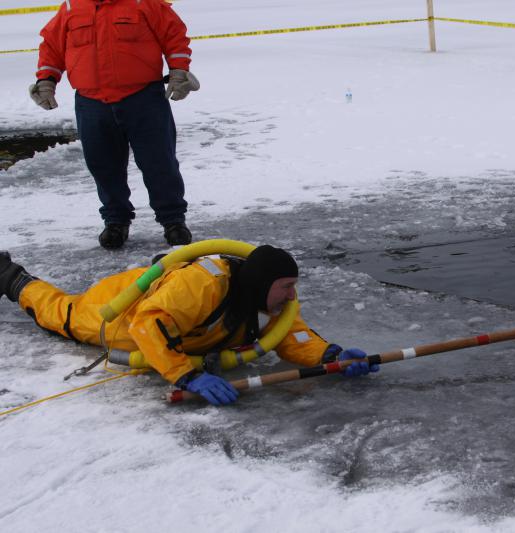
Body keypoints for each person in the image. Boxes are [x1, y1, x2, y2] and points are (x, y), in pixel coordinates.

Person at [0, 246, 379, 406]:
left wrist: (333, 355)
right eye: (286, 287)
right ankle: (13, 277)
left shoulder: (263, 296)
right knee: (60, 315)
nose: (291, 295)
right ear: (264, 283)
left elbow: (292, 335)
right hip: (123, 313)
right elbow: (148, 325)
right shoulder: (205, 284)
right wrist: (185, 376)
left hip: (183, 320)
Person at [29, 0, 200, 250]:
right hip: (92, 104)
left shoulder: (145, 3)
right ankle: (115, 222)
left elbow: (174, 35)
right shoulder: (71, 7)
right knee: (103, 166)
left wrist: (178, 71)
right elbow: (52, 46)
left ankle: (173, 221)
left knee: (159, 163)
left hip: (144, 99)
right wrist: (46, 81)